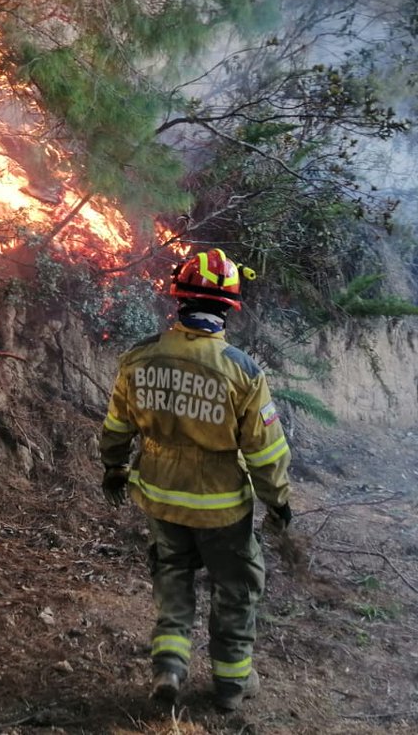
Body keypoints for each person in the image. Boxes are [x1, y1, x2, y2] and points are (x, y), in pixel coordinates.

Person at [99, 248, 292, 712]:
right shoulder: (242, 371)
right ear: (228, 307)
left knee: (172, 579)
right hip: (222, 507)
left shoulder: (138, 358)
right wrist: (279, 502)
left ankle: (168, 667)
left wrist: (115, 469)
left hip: (161, 500)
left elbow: (117, 428)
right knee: (236, 589)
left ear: (178, 301)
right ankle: (230, 685)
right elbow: (264, 451)